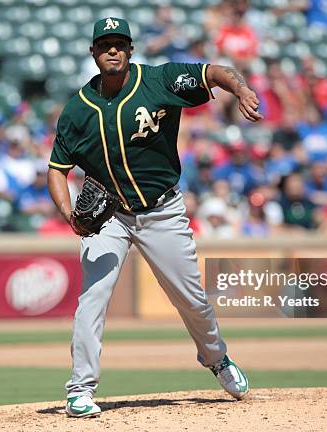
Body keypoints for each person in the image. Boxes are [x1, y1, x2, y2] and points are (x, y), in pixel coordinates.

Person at [48, 17, 262, 418]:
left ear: (131, 50)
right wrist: (68, 215)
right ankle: (79, 388)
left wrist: (242, 87)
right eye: (105, 44)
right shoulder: (77, 110)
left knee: (192, 299)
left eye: (120, 44)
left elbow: (212, 72)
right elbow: (57, 169)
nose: (113, 50)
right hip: (108, 216)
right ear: (93, 53)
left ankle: (216, 359)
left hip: (162, 209)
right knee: (92, 298)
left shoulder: (159, 81)